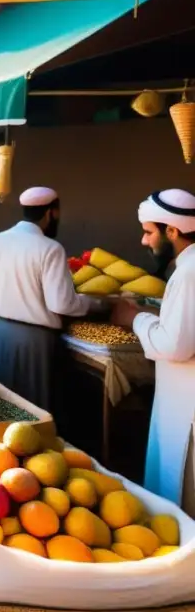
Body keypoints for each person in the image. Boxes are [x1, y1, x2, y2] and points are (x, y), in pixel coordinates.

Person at [0, 187, 90, 410]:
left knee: (2, 407)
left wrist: (2, 308)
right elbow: (62, 303)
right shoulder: (51, 249)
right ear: (50, 213)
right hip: (33, 341)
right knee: (33, 412)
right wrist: (93, 303)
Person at [111, 189, 195, 506]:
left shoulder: (188, 273)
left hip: (187, 405)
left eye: (149, 232)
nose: (144, 241)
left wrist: (136, 318)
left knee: (182, 493)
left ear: (172, 231)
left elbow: (174, 345)